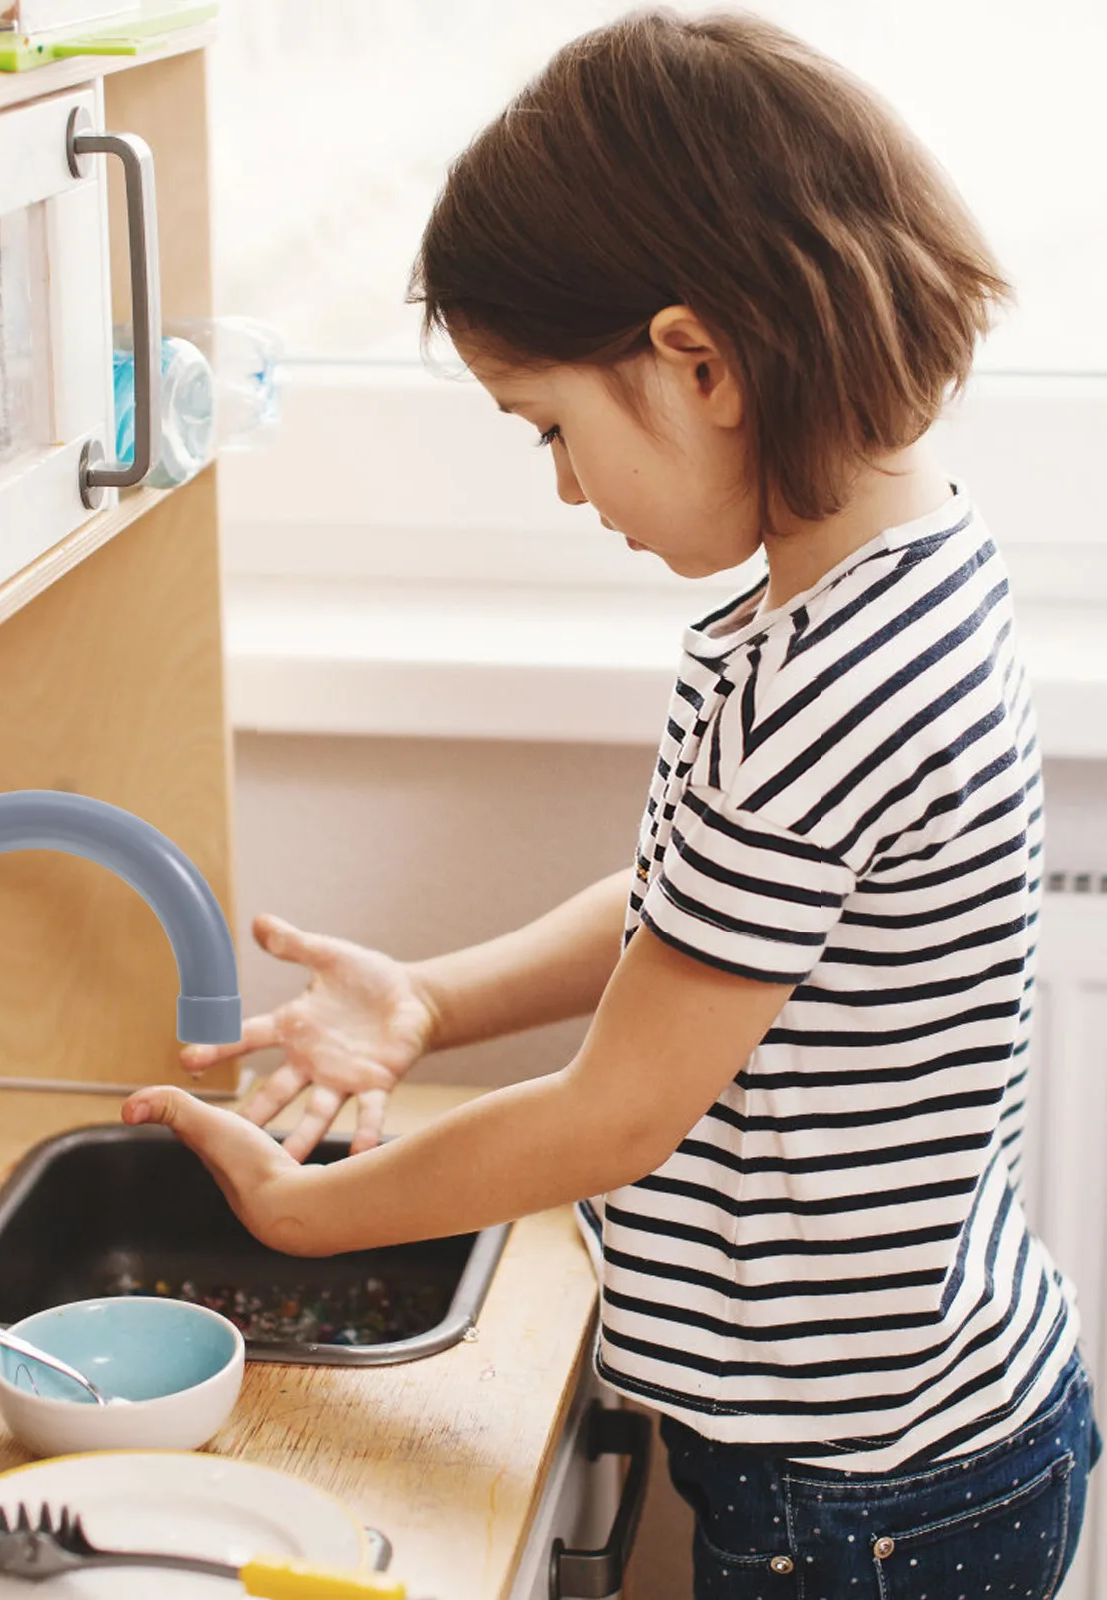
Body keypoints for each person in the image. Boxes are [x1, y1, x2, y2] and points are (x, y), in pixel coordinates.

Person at [123, 10, 1100, 1593]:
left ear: (698, 361)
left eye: (555, 433)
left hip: (867, 1495)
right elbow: (696, 909)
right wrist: (436, 998)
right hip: (904, 1435)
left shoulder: (828, 679)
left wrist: (312, 1221)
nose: (568, 490)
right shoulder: (875, 579)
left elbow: (613, 1112)